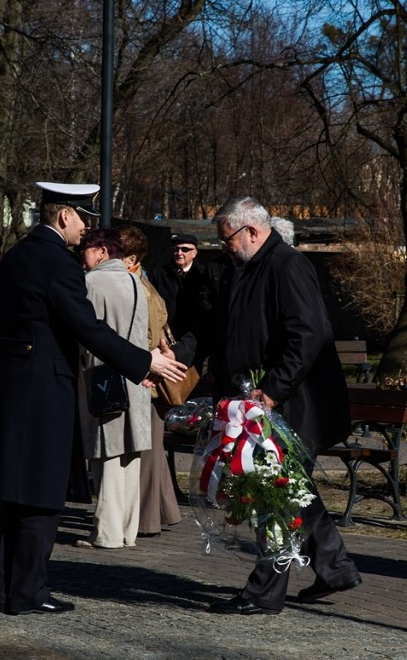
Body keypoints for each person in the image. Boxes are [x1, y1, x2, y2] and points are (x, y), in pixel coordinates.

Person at [0, 181, 186, 615]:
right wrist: (144, 362)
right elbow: (87, 328)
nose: (86, 231)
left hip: (14, 383)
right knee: (42, 494)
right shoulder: (60, 264)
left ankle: (10, 590)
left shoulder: (16, 255)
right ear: (64, 216)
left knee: (16, 495)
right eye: (84, 220)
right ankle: (29, 592)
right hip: (46, 388)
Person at [175, 196, 361, 615]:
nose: (223, 248)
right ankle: (335, 566)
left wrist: (273, 390)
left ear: (252, 232)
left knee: (271, 495)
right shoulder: (243, 269)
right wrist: (177, 355)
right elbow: (214, 326)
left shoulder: (287, 265)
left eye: (226, 240)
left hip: (291, 404)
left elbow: (307, 334)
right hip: (255, 401)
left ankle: (264, 593)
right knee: (289, 489)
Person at [75, 229, 152, 549]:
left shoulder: (92, 283)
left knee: (106, 456)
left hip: (103, 377)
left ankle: (106, 533)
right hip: (135, 378)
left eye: (87, 249)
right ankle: (127, 531)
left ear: (103, 251)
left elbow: (84, 332)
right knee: (130, 457)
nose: (83, 255)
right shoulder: (136, 281)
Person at [116, 224, 182, 537]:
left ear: (129, 256)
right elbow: (163, 323)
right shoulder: (145, 280)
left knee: (143, 449)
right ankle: (161, 512)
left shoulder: (132, 283)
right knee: (152, 447)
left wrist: (151, 360)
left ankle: (145, 518)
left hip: (143, 372)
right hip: (153, 369)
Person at [151, 232, 211, 341]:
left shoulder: (203, 275)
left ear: (194, 253)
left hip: (194, 336)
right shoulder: (159, 274)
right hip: (165, 334)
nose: (179, 253)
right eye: (176, 249)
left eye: (185, 249)